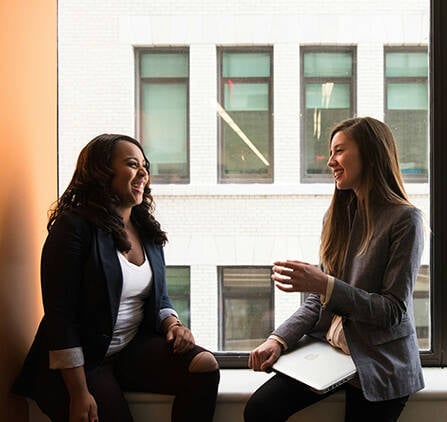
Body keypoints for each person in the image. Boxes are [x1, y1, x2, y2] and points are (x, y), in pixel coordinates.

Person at [13, 134, 219, 422]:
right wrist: (78, 392)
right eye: (133, 164)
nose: (144, 173)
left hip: (129, 349)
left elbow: (157, 296)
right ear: (101, 171)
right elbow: (61, 318)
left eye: (145, 166)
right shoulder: (73, 227)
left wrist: (173, 322)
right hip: (83, 362)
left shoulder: (145, 229)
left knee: (204, 365)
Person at [244, 117, 424, 422]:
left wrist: (326, 285)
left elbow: (392, 310)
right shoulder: (337, 216)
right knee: (259, 410)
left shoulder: (406, 220)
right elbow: (318, 300)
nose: (330, 162)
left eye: (339, 151)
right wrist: (278, 339)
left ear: (370, 153)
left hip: (379, 362)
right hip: (331, 355)